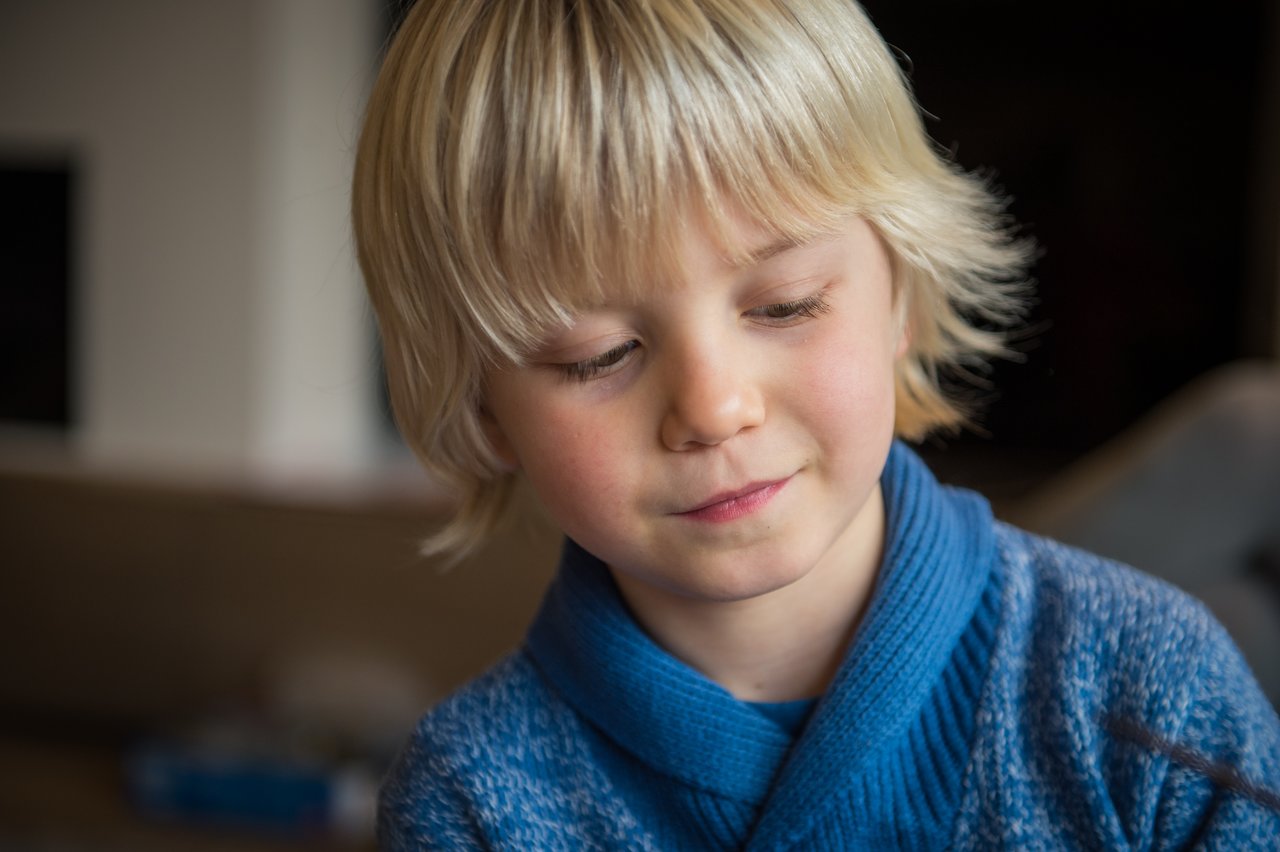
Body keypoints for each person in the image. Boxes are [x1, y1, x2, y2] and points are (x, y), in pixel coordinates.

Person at [351, 0, 1280, 847]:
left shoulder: (1153, 684)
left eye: (787, 305)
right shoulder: (469, 798)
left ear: (900, 297)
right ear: (484, 406)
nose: (714, 409)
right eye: (597, 355)